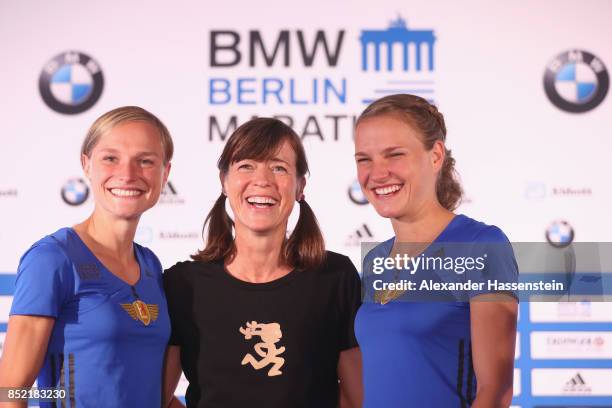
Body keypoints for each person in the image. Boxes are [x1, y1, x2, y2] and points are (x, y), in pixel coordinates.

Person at [162, 118, 362, 408]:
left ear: (300, 186)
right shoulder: (183, 284)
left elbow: (357, 400)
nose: (263, 180)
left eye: (279, 167)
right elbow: (155, 398)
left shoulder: (335, 277)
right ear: (224, 181)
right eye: (246, 166)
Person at [0, 106, 173, 407]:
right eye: (111, 158)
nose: (128, 174)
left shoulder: (150, 265)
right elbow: (9, 392)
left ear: (165, 172)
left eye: (145, 161)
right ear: (86, 164)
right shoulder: (52, 258)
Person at [353, 94, 518, 407]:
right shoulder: (375, 261)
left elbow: (495, 393)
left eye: (394, 155)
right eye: (365, 159)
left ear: (435, 155)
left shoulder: (480, 245)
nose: (377, 173)